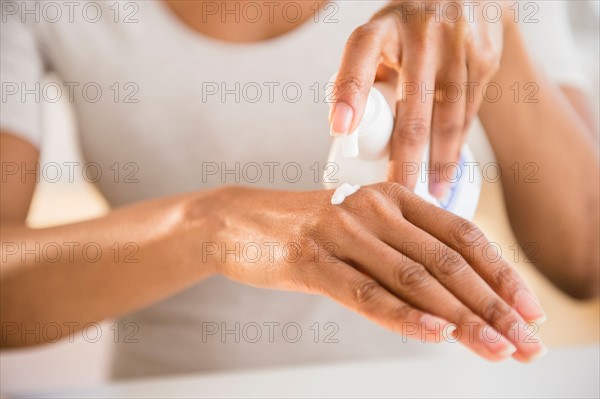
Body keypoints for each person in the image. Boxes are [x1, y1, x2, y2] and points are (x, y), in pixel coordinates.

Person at [1, 0, 598, 379]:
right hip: (172, 385)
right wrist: (214, 225)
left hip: (424, 381)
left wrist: (497, 20)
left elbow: (587, 258)